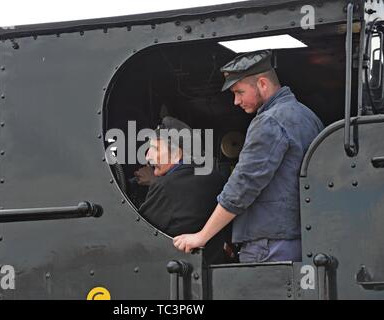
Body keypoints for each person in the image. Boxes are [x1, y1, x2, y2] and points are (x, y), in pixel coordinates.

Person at [173, 49, 324, 263]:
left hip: (269, 244)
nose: (235, 101)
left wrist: (202, 236)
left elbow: (243, 185)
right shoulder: (307, 116)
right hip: (298, 238)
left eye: (239, 92)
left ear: (262, 83)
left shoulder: (269, 122)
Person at [137, 116, 230, 264]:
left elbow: (140, 233)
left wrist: (155, 183)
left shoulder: (166, 186)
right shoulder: (215, 177)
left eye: (154, 148)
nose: (148, 156)